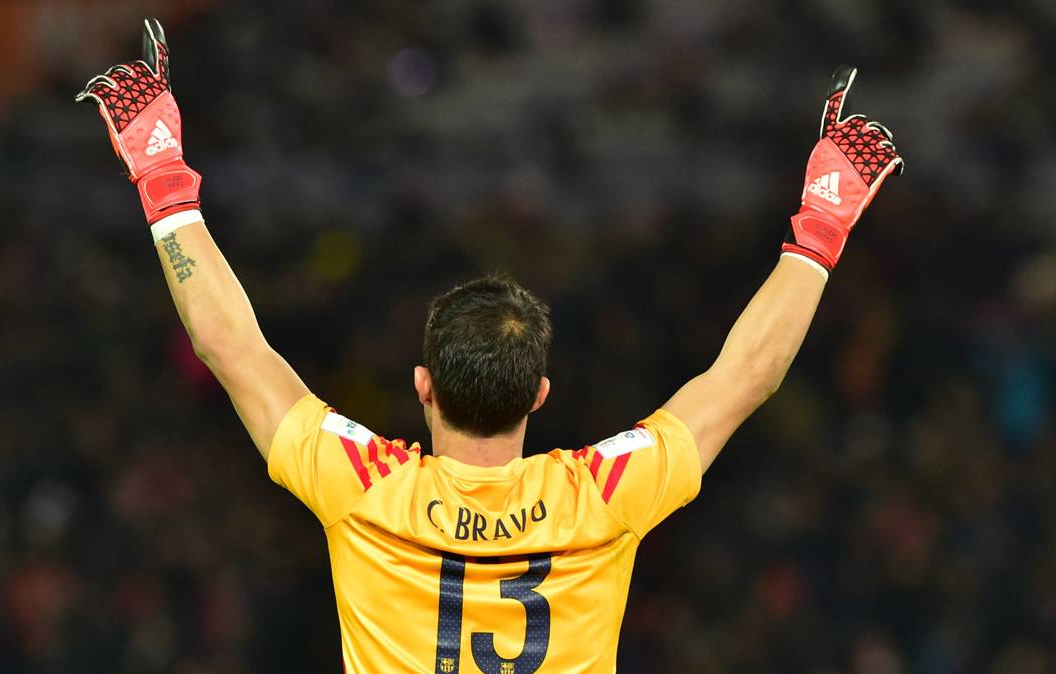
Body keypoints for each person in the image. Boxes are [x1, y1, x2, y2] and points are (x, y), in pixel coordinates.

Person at [76, 19, 903, 673]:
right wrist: (819, 229)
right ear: (540, 393)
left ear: (423, 385)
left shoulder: (363, 487)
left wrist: (163, 179)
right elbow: (743, 377)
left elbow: (232, 348)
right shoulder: (604, 495)